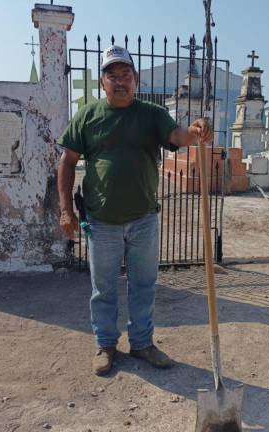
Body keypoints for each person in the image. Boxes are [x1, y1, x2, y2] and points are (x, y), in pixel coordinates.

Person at [57, 45, 214, 376]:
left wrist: (196, 129)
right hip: (102, 222)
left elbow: (178, 135)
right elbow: (67, 161)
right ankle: (106, 345)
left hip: (144, 219)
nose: (119, 82)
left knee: (144, 284)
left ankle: (142, 343)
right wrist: (66, 210)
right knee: (104, 288)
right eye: (112, 76)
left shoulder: (150, 114)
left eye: (125, 75)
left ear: (136, 80)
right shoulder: (88, 116)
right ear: (102, 82)